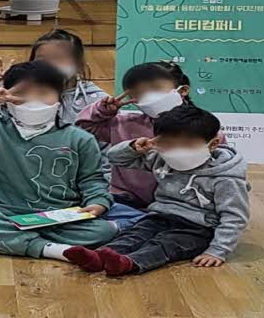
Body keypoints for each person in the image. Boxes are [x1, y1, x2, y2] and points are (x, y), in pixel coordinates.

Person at [0, 61, 117, 262]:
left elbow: (92, 179)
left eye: (43, 93)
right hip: (5, 213)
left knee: (104, 230)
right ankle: (52, 249)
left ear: (60, 98)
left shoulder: (80, 138)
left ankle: (13, 242)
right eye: (22, 94)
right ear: (6, 96)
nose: (33, 101)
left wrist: (97, 202)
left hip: (61, 217)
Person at [66, 105, 249, 276]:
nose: (177, 150)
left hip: (199, 228)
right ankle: (97, 257)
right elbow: (116, 158)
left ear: (213, 144)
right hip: (159, 216)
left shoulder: (226, 177)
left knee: (164, 245)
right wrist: (133, 148)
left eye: (187, 144)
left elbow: (234, 216)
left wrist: (218, 250)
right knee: (134, 234)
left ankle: (129, 263)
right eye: (168, 143)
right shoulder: (162, 159)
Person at [76, 61, 193, 228]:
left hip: (177, 205)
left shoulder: (202, 127)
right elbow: (83, 127)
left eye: (155, 89)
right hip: (124, 200)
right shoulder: (124, 123)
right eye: (140, 93)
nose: (149, 97)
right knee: (93, 219)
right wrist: (103, 110)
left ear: (183, 90)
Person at [0, 29, 107, 123]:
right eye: (42, 60)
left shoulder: (96, 100)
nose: (50, 66)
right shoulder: (20, 92)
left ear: (78, 65)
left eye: (58, 59)